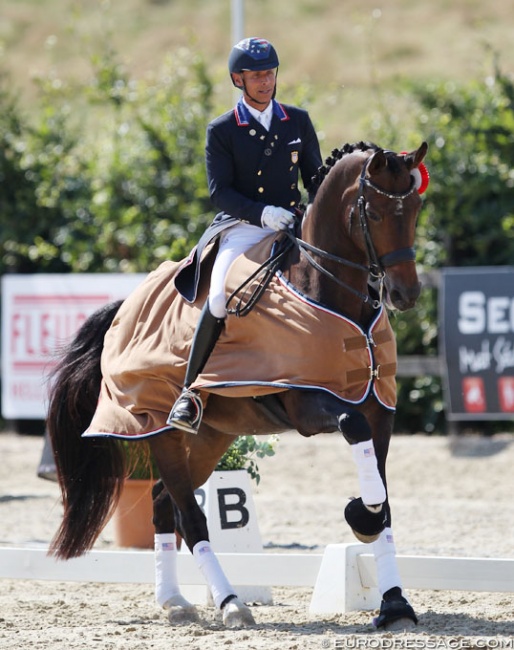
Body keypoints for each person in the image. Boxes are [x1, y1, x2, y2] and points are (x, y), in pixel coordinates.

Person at [167, 36, 323, 434]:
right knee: (219, 296)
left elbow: (315, 180)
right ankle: (190, 393)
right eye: (257, 75)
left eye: (270, 73)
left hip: (291, 224)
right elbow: (220, 191)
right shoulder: (222, 130)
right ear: (238, 79)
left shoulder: (297, 120)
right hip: (243, 227)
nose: (265, 82)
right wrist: (261, 213)